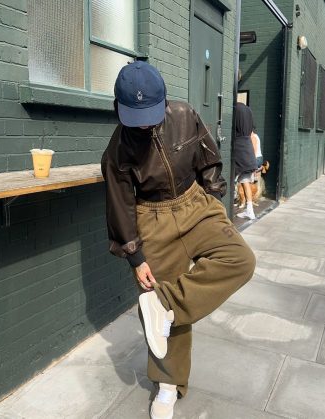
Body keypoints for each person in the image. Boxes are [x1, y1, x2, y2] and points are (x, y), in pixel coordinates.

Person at [101, 61, 256, 419]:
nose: (144, 124)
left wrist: (213, 199)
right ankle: (168, 384)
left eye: (150, 114)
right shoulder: (117, 151)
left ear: (165, 100)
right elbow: (120, 206)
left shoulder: (185, 115)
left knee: (241, 260)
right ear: (118, 107)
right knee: (163, 300)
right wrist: (136, 257)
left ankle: (164, 304)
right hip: (151, 217)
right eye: (135, 116)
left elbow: (208, 159)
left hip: (194, 203)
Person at [235, 103, 259, 220]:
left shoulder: (236, 109)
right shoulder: (248, 111)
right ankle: (250, 211)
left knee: (234, 180)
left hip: (239, 151)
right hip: (248, 152)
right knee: (245, 182)